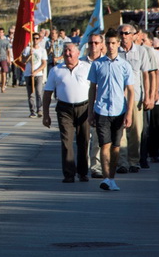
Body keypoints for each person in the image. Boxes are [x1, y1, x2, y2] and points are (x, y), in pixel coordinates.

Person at [87, 28, 134, 192]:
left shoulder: (125, 66)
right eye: (108, 43)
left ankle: (111, 178)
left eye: (114, 43)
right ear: (104, 45)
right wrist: (90, 111)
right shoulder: (97, 64)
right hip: (101, 111)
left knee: (115, 147)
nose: (111, 46)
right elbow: (92, 89)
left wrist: (129, 113)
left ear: (118, 44)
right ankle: (106, 178)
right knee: (104, 146)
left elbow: (131, 91)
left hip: (119, 111)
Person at [42, 43, 91, 182]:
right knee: (66, 141)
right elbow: (47, 93)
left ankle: (82, 172)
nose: (67, 53)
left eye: (70, 51)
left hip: (84, 108)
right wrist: (46, 115)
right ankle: (69, 174)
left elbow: (95, 89)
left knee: (84, 140)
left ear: (77, 53)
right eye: (65, 51)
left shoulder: (87, 68)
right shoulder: (56, 70)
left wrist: (94, 110)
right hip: (64, 109)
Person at [116, 23, 153, 173]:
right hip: (119, 98)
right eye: (121, 33)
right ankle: (122, 162)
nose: (123, 36)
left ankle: (133, 161)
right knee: (121, 131)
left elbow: (146, 75)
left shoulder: (141, 51)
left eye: (126, 33)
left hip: (136, 96)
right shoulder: (114, 52)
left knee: (136, 131)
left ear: (133, 35)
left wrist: (149, 95)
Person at [81, 33, 106, 177]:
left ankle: (96, 166)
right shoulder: (81, 63)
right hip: (83, 104)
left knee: (97, 138)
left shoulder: (106, 62)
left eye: (96, 43)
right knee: (84, 138)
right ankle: (84, 166)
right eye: (91, 43)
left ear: (102, 44)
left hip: (100, 105)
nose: (93, 46)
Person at [22, 32, 47, 117]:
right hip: (28, 74)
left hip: (38, 74)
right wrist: (29, 55)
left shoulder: (42, 50)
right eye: (34, 38)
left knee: (39, 93)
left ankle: (40, 110)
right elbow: (23, 61)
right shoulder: (27, 49)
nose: (35, 40)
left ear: (39, 39)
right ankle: (32, 111)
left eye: (37, 38)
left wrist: (36, 71)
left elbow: (44, 63)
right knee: (30, 94)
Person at [0, 27, 11, 93]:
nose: (0, 33)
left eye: (2, 32)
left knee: (4, 73)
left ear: (3, 33)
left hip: (4, 57)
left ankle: (3, 86)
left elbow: (8, 50)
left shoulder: (6, 41)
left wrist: (9, 58)